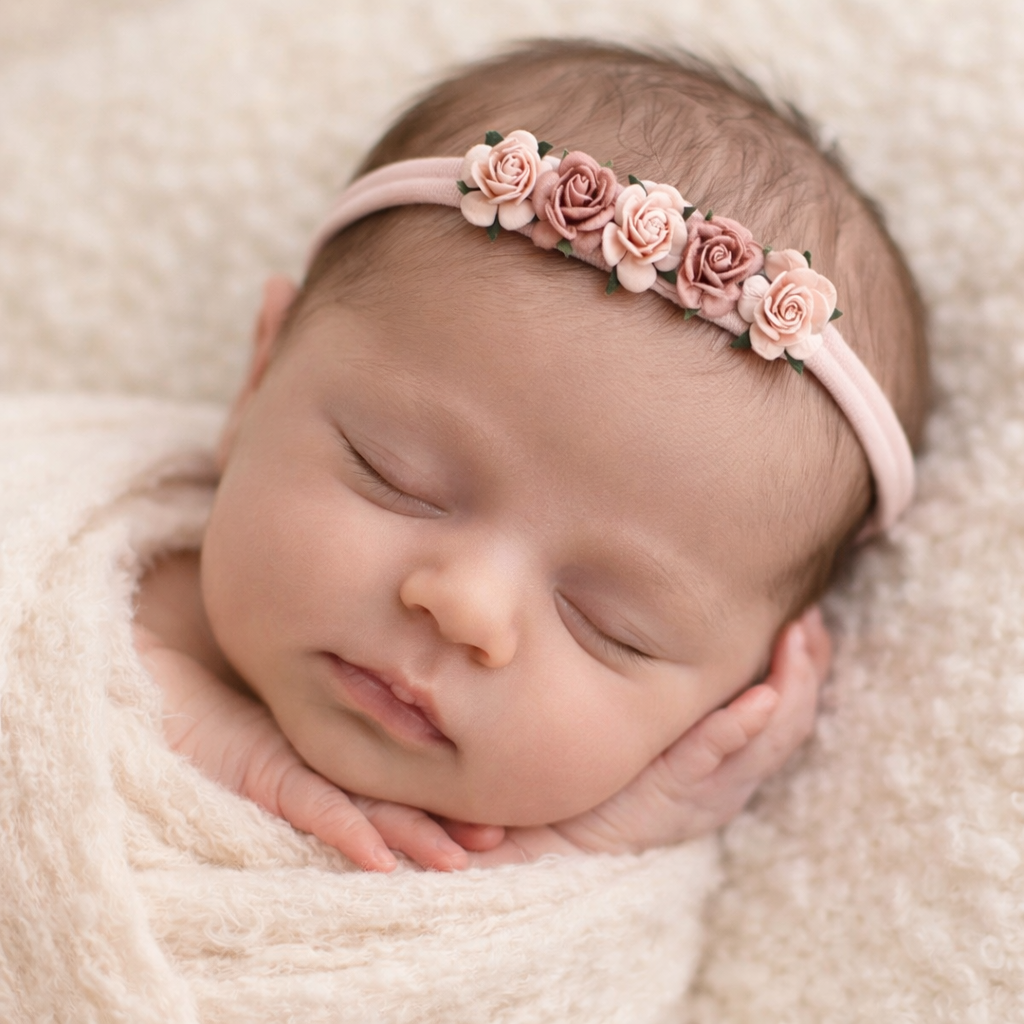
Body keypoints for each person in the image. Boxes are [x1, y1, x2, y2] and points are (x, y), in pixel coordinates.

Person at [133, 40, 927, 873]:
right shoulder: (69, 552)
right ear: (257, 380)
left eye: (610, 626)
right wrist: (172, 722)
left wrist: (586, 851)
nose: (465, 606)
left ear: (736, 695)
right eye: (391, 474)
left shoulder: (626, 860)